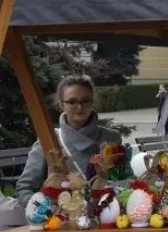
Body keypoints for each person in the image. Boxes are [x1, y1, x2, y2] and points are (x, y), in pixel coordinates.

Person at [16, 75, 124, 208]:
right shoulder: (49, 139)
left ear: (92, 102)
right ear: (61, 105)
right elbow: (24, 188)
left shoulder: (112, 138)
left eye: (85, 101)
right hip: (62, 224)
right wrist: (44, 209)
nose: (80, 107)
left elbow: (125, 181)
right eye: (72, 102)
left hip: (105, 219)